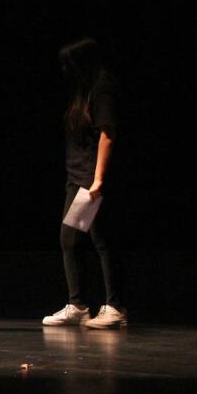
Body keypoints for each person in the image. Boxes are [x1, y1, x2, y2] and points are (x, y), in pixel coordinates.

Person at [41, 38, 128, 329]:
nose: (65, 71)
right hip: (77, 175)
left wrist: (99, 179)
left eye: (69, 65)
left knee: (101, 240)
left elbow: (107, 134)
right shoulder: (83, 91)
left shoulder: (101, 88)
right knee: (70, 238)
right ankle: (78, 305)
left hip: (91, 178)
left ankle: (115, 306)